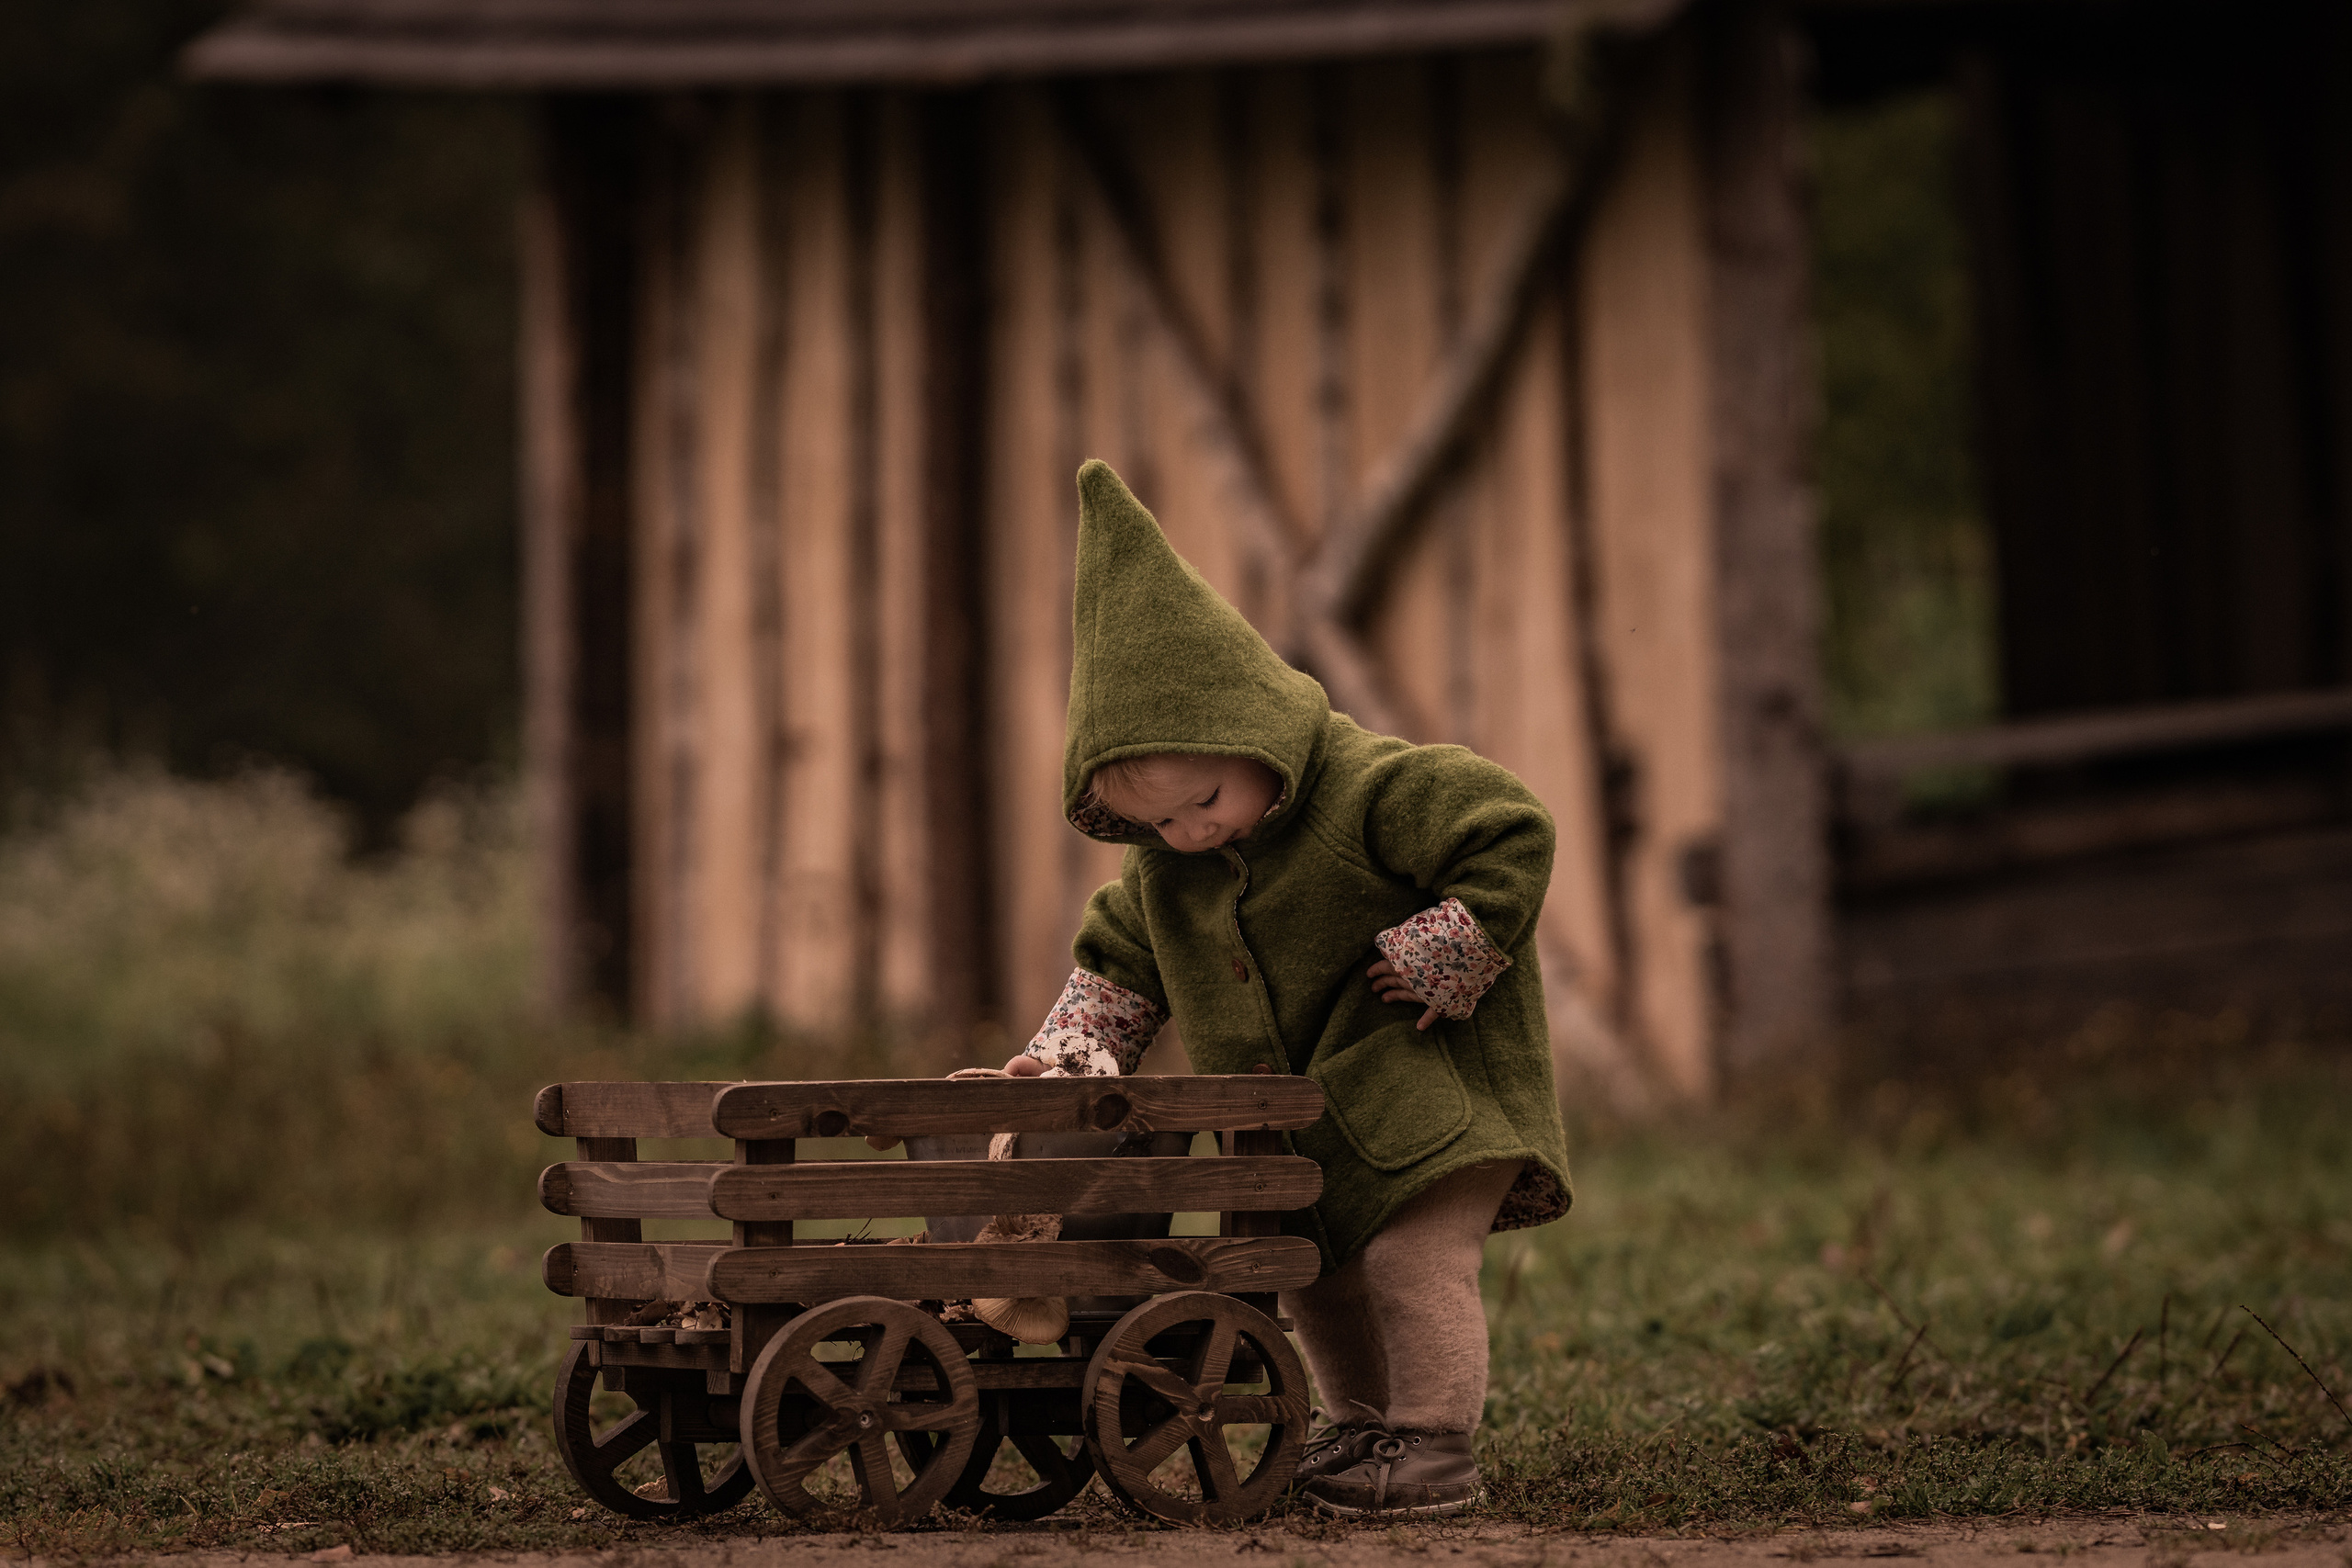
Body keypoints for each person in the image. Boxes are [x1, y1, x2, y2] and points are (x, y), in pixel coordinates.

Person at [1000, 459, 1573, 1516]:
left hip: (1430, 1096)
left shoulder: (1375, 791)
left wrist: (1448, 948)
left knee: (1407, 1261)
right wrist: (1070, 1056)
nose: (1189, 832)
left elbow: (1509, 830)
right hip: (1298, 1129)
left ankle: (1433, 1444)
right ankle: (1360, 1430)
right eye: (1156, 822)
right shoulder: (1164, 874)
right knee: (1312, 1269)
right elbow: (1117, 971)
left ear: (1254, 722)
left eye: (1204, 799)